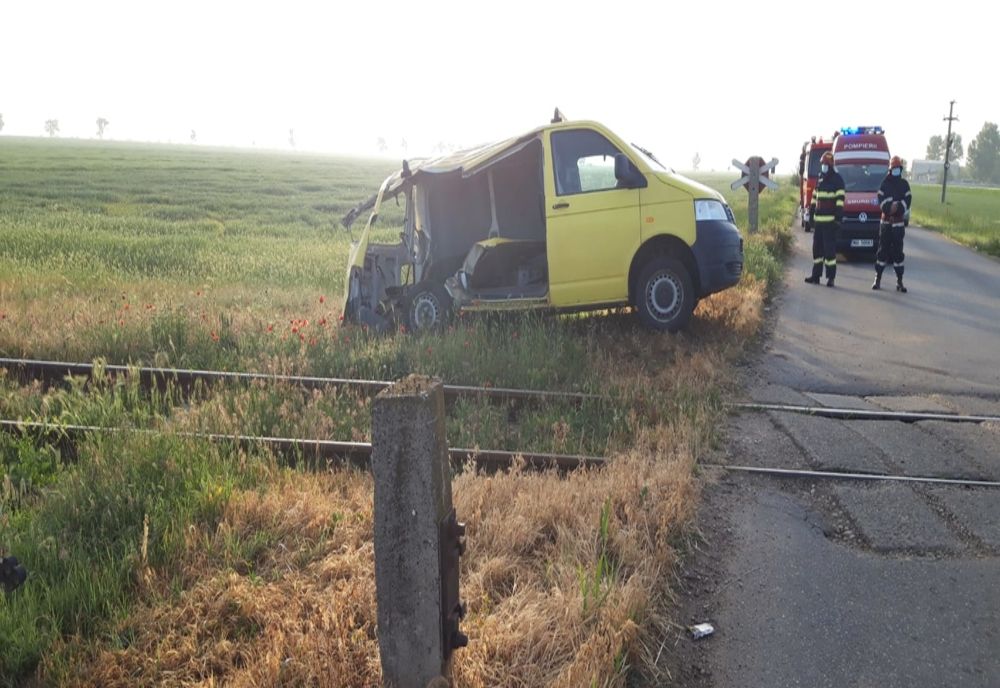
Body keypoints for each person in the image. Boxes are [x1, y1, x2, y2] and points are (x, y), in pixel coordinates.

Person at [805, 151, 844, 287]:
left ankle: (830, 278)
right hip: (819, 222)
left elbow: (840, 201)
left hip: (830, 223)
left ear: (830, 165)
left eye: (825, 165)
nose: (823, 167)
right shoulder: (820, 178)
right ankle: (816, 276)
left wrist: (838, 219)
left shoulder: (837, 180)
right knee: (817, 251)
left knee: (829, 253)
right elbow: (815, 198)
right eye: (822, 165)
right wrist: (810, 214)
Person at [873, 156, 912, 292]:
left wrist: (899, 206)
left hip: (898, 225)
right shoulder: (885, 184)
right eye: (894, 168)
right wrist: (890, 207)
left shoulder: (904, 184)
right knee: (882, 251)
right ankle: (877, 279)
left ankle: (899, 281)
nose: (896, 171)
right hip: (885, 224)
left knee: (898, 253)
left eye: (898, 168)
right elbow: (881, 200)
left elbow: (908, 199)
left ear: (900, 169)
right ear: (891, 170)